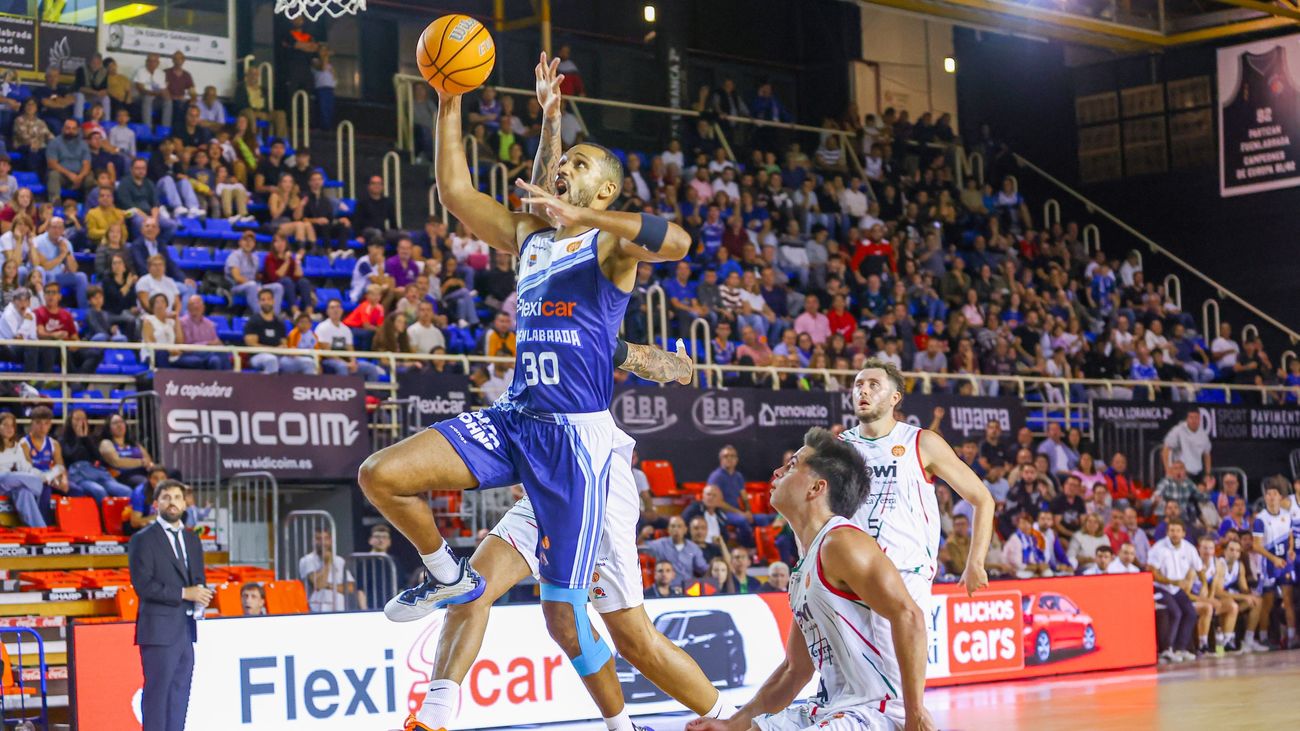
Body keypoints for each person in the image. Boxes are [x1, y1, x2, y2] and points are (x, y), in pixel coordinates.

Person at [359, 52, 699, 731]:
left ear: (603, 195)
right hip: (520, 420)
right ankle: (440, 622)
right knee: (384, 476)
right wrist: (448, 97)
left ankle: (696, 719)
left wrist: (593, 219)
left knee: (581, 622)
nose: (563, 168)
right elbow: (455, 191)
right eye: (562, 160)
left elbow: (679, 241)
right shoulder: (531, 240)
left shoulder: (607, 250)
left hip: (581, 449)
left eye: (578, 165)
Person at [689, 428, 933, 731]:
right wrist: (731, 724)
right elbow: (794, 670)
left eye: (792, 466)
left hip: (873, 712)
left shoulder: (842, 542)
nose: (777, 472)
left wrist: (916, 716)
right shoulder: (807, 561)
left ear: (817, 488)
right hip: (829, 708)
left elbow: (909, 616)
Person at [839, 359, 995, 608]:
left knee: (906, 649)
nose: (863, 390)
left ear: (894, 398)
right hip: (851, 578)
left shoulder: (921, 442)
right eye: (858, 385)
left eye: (873, 384)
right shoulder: (838, 447)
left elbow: (983, 499)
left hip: (906, 574)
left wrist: (975, 562)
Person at [128, 479, 209, 731]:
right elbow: (144, 585)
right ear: (155, 504)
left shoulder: (192, 540)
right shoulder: (143, 540)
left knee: (179, 697)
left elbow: (198, 581)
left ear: (185, 504)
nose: (171, 501)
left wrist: (201, 599)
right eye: (165, 497)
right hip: (158, 632)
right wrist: (186, 593)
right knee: (157, 697)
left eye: (176, 497)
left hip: (186, 631)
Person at [1148, 518, 1202, 663]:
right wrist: (1173, 581)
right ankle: (1166, 650)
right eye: (1172, 530)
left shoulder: (1189, 548)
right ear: (1167, 532)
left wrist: (1205, 586)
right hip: (1159, 588)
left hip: (1176, 588)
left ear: (1183, 533)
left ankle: (1181, 648)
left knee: (1190, 612)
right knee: (1175, 612)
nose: (1175, 534)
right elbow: (1153, 573)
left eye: (1178, 531)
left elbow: (1199, 568)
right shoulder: (1158, 548)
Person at [1252, 478, 1296, 649]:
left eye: (1274, 494)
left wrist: (1291, 549)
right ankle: (1263, 637)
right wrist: (1273, 559)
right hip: (1268, 565)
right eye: (1268, 494)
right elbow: (1256, 545)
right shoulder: (1260, 519)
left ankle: (1292, 637)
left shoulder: (1286, 516)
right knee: (1268, 602)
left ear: (1280, 497)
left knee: (1288, 600)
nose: (1270, 497)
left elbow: (1290, 535)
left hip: (1285, 563)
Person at [60, 408, 132, 503]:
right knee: (99, 491)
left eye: (83, 419)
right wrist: (79, 438)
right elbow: (70, 456)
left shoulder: (92, 438)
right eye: (77, 419)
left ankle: (126, 516)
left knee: (126, 491)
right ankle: (105, 517)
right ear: (70, 421)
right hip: (79, 476)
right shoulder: (63, 440)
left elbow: (98, 458)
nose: (80, 422)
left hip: (97, 473)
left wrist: (86, 438)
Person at [244, 287, 313, 374]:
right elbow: (251, 344)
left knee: (308, 362)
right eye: (263, 300)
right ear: (259, 302)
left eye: (269, 299)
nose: (266, 302)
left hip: (279, 356)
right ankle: (267, 387)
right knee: (271, 360)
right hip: (258, 356)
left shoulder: (279, 322)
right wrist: (273, 349)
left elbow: (283, 343)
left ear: (273, 301)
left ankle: (303, 387)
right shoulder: (253, 321)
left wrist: (288, 351)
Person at [0, 412, 47, 527]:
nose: (9, 428)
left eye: (12, 426)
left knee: (24, 492)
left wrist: (41, 475)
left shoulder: (17, 447)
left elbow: (26, 468)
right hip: (3, 479)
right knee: (7, 476)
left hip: (10, 483)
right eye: (5, 425)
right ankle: (38, 486)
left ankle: (38, 528)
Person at [1220, 538, 1267, 652]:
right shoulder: (1219, 564)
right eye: (1231, 549)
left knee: (1257, 601)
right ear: (1224, 551)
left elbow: (1244, 588)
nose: (1234, 553)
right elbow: (1218, 592)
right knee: (1232, 605)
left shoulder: (1239, 565)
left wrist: (1251, 594)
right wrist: (1244, 597)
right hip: (1219, 600)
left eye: (1237, 551)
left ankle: (1248, 640)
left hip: (1233, 597)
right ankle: (1225, 643)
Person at [298, 527, 357, 612]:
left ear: (331, 540)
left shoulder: (339, 560)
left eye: (326, 538)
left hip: (338, 608)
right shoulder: (307, 560)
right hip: (315, 609)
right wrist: (327, 563)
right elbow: (318, 584)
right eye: (318, 539)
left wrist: (329, 586)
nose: (323, 542)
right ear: (313, 541)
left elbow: (350, 587)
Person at [98, 412, 155, 488]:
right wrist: (140, 462)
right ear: (109, 428)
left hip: (144, 472)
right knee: (145, 482)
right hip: (124, 476)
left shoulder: (134, 444)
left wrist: (147, 464)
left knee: (172, 473)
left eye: (121, 422)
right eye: (115, 423)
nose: (119, 425)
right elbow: (117, 462)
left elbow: (148, 460)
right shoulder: (106, 443)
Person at [1162, 410, 1212, 482]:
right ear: (1187, 419)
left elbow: (1207, 454)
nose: (1193, 420)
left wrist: (1208, 474)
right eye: (1191, 417)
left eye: (1196, 418)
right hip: (1182, 474)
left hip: (1198, 474)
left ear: (1199, 420)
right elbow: (1166, 449)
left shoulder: (1203, 434)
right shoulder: (1178, 430)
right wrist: (1168, 470)